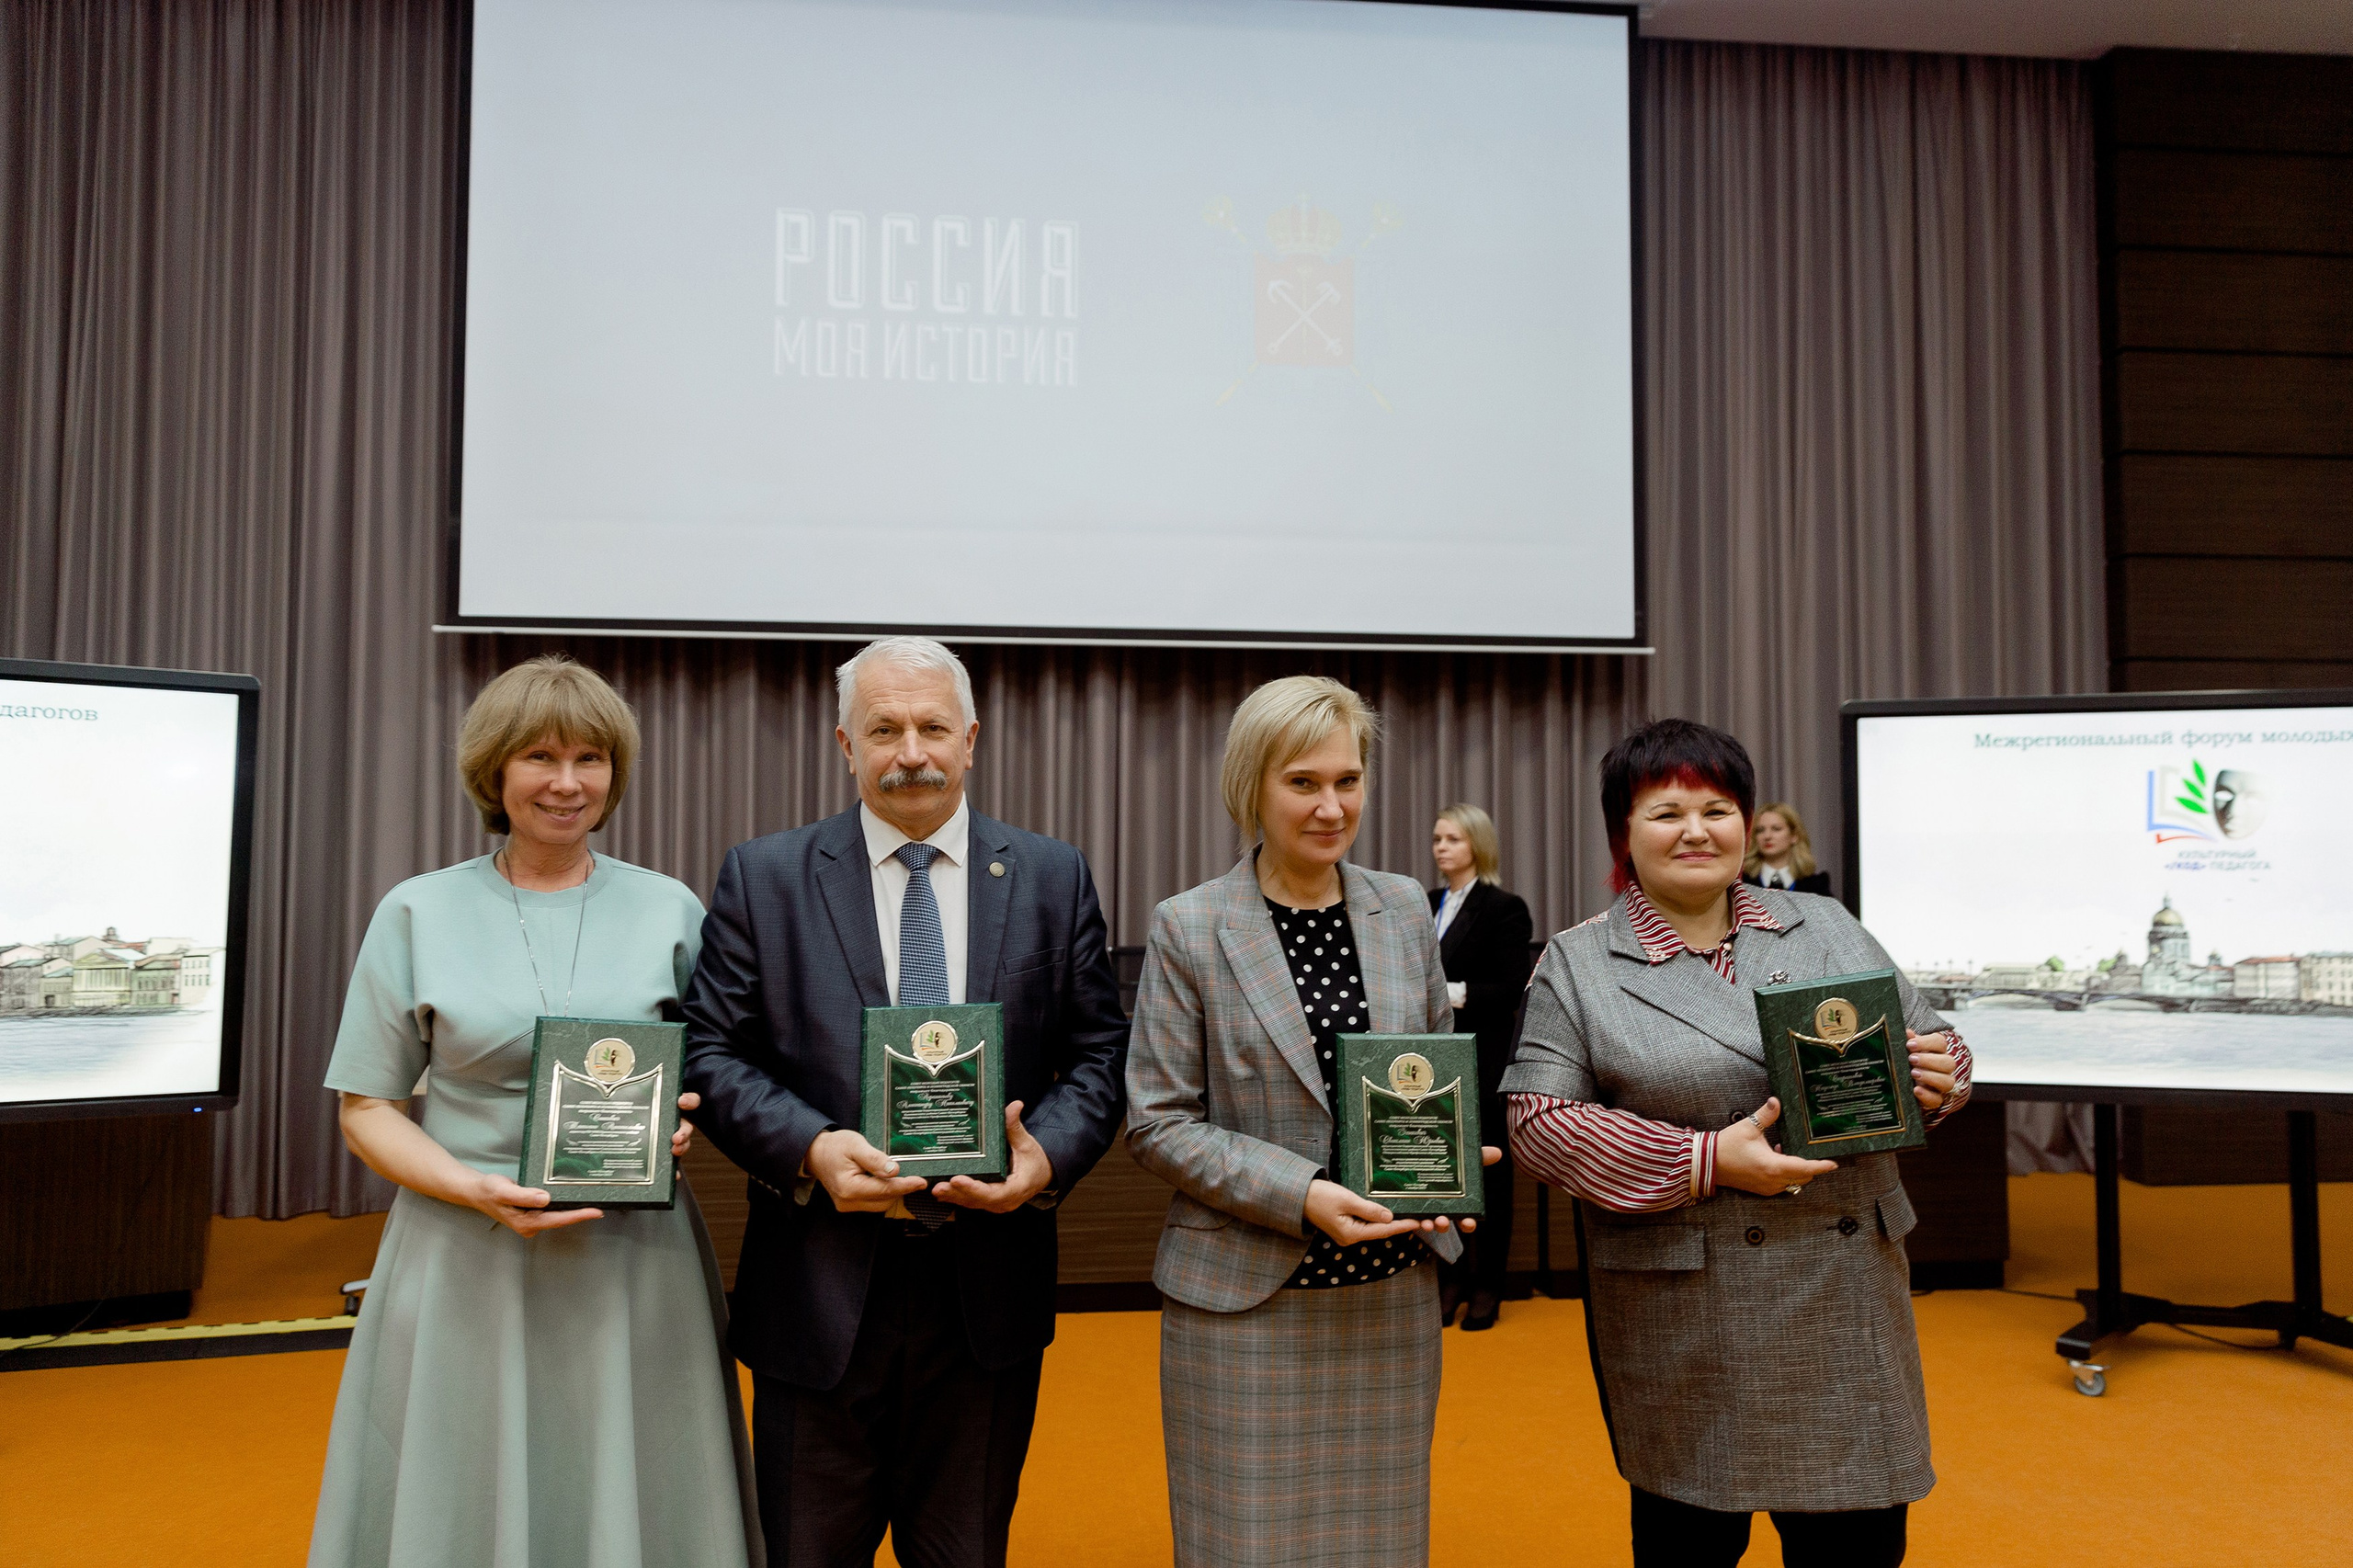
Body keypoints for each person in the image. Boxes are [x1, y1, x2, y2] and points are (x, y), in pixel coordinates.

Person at [681, 636, 1130, 1568]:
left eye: (932, 727)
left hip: (986, 1295)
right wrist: (812, 1148)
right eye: (884, 729)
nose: (911, 752)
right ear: (846, 744)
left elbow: (1099, 1053)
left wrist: (1043, 1156)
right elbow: (710, 1050)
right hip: (817, 1287)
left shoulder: (1051, 875)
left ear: (971, 738)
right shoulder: (765, 877)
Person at [311, 655, 760, 1568]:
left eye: (590, 758)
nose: (567, 782)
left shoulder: (671, 908)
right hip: (462, 1246)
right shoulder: (417, 910)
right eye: (540, 757)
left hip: (632, 1256)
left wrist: (683, 1116)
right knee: (462, 1484)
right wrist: (468, 1186)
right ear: (494, 770)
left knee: (640, 1479)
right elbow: (367, 1108)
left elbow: (714, 1071)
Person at [1501, 719, 1972, 1568]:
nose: (1696, 831)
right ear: (1623, 833)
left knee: (1856, 1550)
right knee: (1691, 1547)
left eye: (1717, 810)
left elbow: (1931, 1041)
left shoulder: (1825, 924)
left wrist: (1944, 1075)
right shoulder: (1578, 962)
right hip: (1691, 1307)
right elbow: (1539, 1122)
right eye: (1666, 812)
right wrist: (1705, 1161)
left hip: (1843, 1296)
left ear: (1746, 825)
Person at [1126, 676, 1498, 1568]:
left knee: (1381, 1546)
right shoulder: (1189, 925)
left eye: (1347, 780)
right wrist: (1304, 1194)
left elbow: (1430, 1073)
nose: (1331, 807)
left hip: (1388, 1298)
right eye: (1303, 783)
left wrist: (1450, 1159)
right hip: (1245, 1304)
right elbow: (1158, 1122)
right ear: (1251, 786)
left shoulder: (1402, 908)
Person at [1428, 803, 1533, 1331]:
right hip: (1432, 1058)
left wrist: (1443, 992)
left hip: (1483, 1057)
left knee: (1489, 1172)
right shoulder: (1425, 903)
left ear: (1477, 844)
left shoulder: (1503, 907)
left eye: (1452, 838)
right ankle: (1450, 1280)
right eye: (1437, 839)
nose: (1441, 848)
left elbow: (1511, 989)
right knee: (1439, 1172)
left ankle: (1489, 1284)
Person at [1742, 800, 1830, 894]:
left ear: (1794, 835)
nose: (1767, 836)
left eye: (1776, 829)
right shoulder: (1741, 882)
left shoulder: (1816, 885)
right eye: (1760, 830)